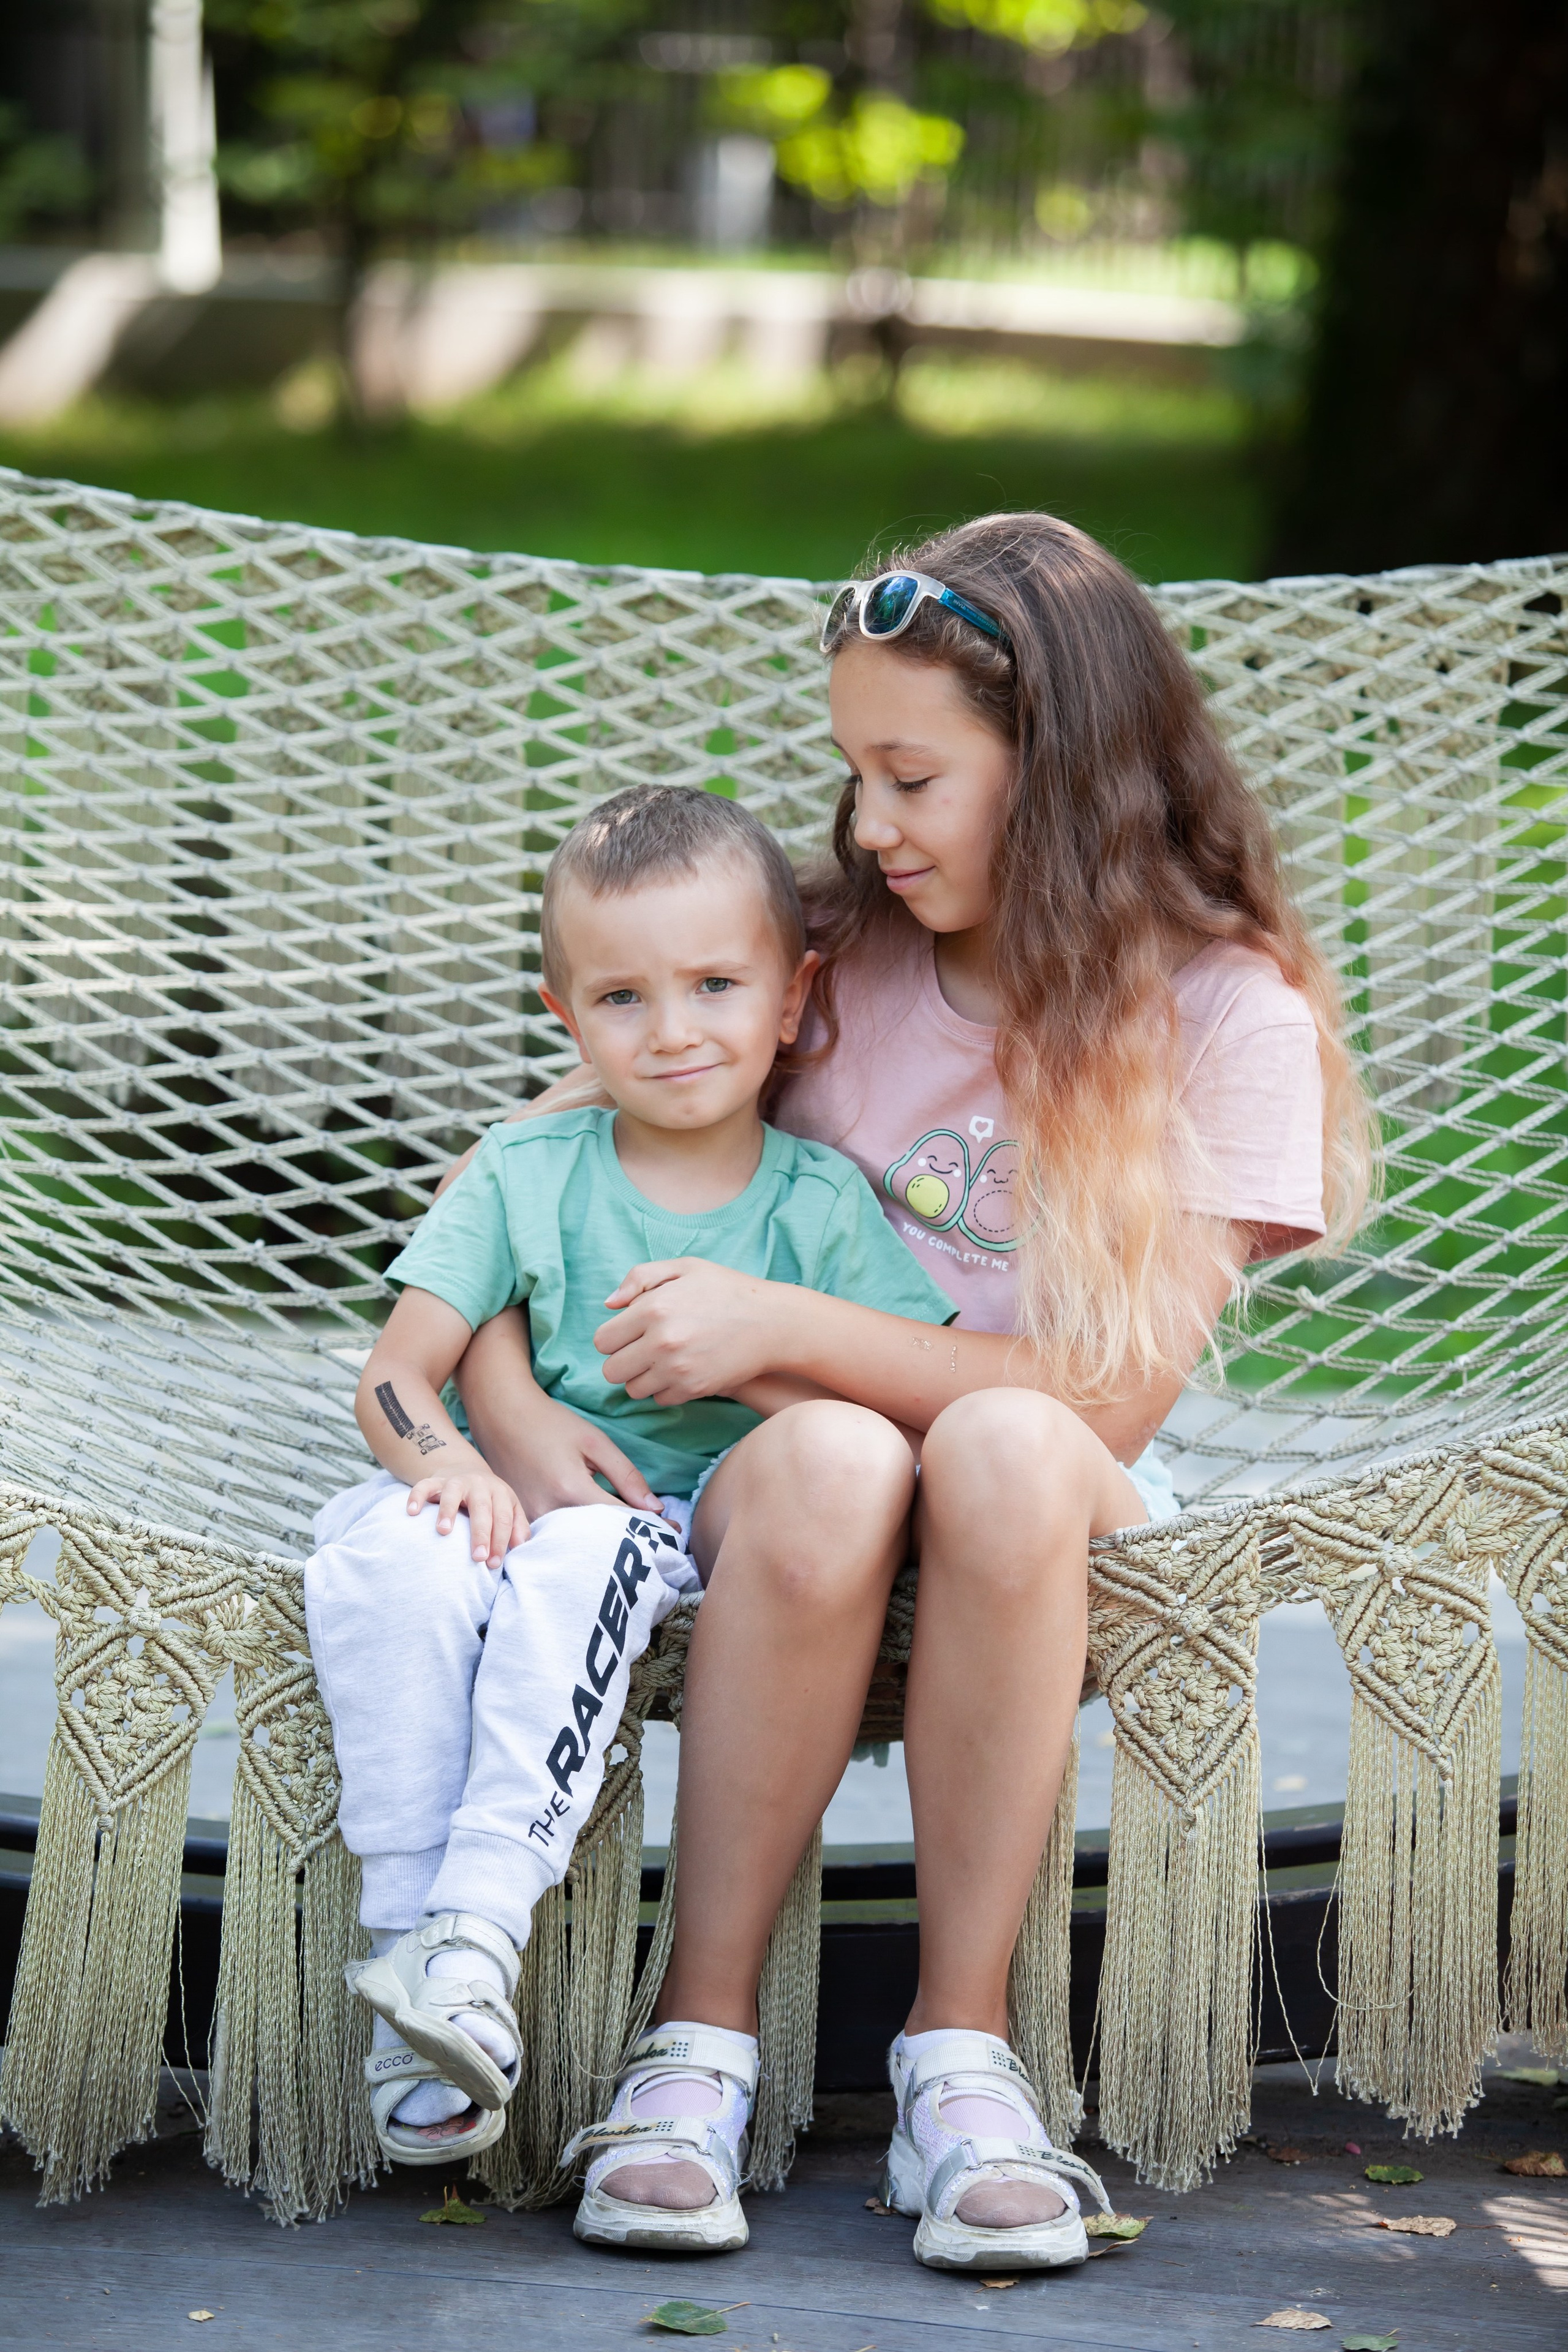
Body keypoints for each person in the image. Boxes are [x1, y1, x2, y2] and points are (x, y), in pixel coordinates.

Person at [452, 512, 1373, 2272]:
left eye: (912, 778)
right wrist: (511, 1412)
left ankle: (961, 2059)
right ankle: (693, 2049)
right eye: (854, 774)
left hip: (1040, 1498)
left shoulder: (1221, 1018)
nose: (867, 824)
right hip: (778, 1497)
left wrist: (774, 1321)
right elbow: (502, 1197)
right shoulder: (822, 956)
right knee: (830, 1455)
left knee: (1006, 1445)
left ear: (1065, 768)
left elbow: (1101, 1410)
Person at [303, 785, 956, 2182]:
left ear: (793, 1000)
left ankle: (481, 1918)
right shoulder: (524, 1170)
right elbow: (394, 1376)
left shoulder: (818, 1205)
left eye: (715, 986)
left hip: (653, 1534)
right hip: (496, 1493)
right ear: (567, 1019)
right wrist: (453, 1466)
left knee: (581, 1560)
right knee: (383, 1561)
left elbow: (893, 1428)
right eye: (621, 999)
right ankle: (420, 1957)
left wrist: (749, 1361)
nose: (670, 1032)